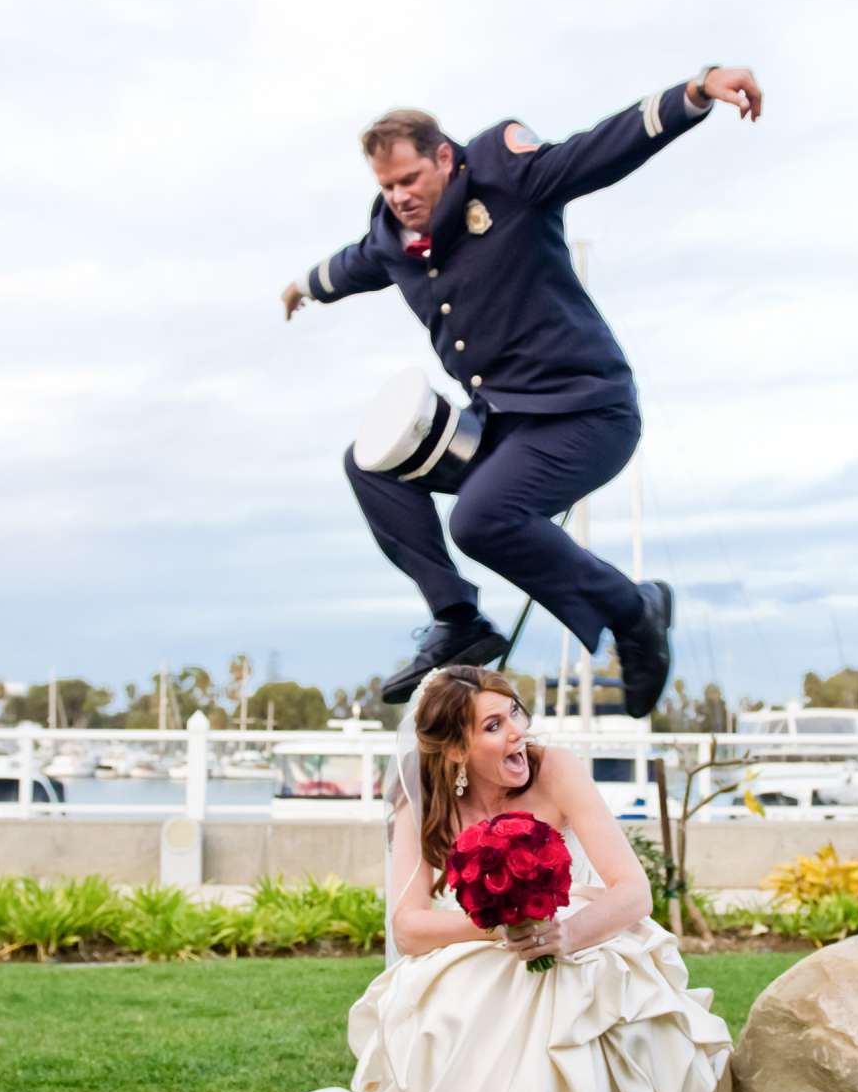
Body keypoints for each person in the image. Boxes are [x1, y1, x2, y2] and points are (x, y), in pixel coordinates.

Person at [280, 67, 764, 713]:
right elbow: (352, 266)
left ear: (444, 158)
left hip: (587, 413)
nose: (399, 196)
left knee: (480, 519)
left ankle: (636, 610)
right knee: (370, 461)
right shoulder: (392, 240)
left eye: (410, 180)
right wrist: (304, 287)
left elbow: (599, 149)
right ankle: (458, 618)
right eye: (387, 186)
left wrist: (697, 92)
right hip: (503, 425)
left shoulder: (508, 178)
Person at [285, 665, 732, 1092]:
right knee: (468, 990)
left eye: (514, 713)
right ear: (456, 750)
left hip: (575, 928)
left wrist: (564, 934)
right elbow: (408, 928)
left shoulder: (556, 769)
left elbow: (634, 893)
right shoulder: (424, 800)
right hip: (488, 935)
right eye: (493, 726)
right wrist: (498, 924)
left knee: (573, 986)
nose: (518, 731)